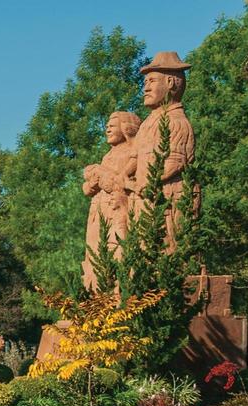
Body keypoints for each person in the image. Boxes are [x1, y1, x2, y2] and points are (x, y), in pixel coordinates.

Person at [128, 51, 197, 248]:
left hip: (167, 198)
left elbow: (176, 161)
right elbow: (135, 157)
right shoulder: (148, 123)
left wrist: (148, 181)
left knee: (166, 249)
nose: (145, 88)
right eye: (145, 83)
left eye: (151, 81)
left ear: (171, 83)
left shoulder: (178, 122)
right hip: (144, 199)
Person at [81, 111, 141, 289]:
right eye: (107, 125)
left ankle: (119, 291)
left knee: (118, 247)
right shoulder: (107, 156)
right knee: (95, 251)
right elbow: (89, 188)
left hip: (117, 208)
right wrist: (94, 181)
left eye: (112, 125)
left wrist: (101, 175)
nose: (107, 128)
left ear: (126, 128)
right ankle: (96, 293)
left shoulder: (132, 153)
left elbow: (120, 182)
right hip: (98, 210)